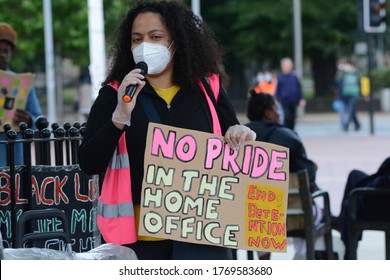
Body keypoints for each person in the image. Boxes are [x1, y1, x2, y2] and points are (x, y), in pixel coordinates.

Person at [78, 1, 256, 260]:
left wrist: (242, 133)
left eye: (156, 37)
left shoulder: (208, 89)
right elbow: (89, 162)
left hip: (204, 233)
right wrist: (118, 118)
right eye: (136, 39)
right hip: (142, 243)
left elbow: (232, 135)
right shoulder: (114, 94)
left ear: (177, 42)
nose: (144, 45)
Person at [245, 91, 321, 259]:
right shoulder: (288, 136)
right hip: (292, 217)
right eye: (276, 108)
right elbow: (308, 178)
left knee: (260, 212)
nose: (279, 112)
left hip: (247, 218)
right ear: (268, 113)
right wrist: (313, 168)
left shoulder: (239, 138)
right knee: (318, 213)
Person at [0, 22, 42, 166]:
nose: (2, 55)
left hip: (15, 163)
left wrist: (29, 120)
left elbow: (40, 120)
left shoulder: (22, 84)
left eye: (6, 51)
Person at [332, 157, 390, 259]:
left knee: (350, 204)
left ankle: (349, 252)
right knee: (354, 175)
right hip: (382, 193)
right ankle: (342, 225)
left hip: (383, 203)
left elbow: (381, 183)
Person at [275, 57, 305, 130]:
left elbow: (299, 89)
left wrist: (301, 99)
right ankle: (287, 131)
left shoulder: (294, 77)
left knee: (292, 118)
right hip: (284, 101)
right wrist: (277, 100)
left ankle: (291, 131)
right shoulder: (280, 78)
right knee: (287, 117)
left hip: (293, 101)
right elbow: (277, 91)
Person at [336, 60, 361, 131]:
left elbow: (359, 80)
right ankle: (357, 124)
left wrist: (353, 71)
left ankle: (346, 125)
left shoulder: (356, 73)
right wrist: (340, 70)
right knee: (352, 110)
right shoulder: (343, 73)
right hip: (346, 94)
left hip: (354, 93)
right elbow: (337, 79)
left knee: (350, 109)